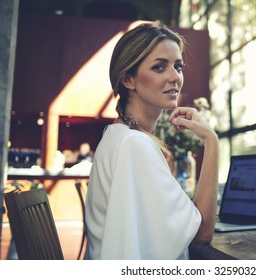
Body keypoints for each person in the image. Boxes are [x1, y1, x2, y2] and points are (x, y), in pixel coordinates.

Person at [84, 21, 219, 260]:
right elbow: (202, 233)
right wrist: (211, 141)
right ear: (128, 79)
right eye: (159, 67)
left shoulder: (117, 136)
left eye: (178, 66)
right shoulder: (134, 145)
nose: (175, 77)